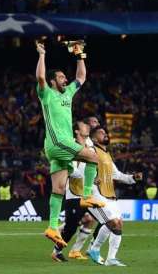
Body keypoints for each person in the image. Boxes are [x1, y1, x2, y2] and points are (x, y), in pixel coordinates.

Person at [34, 40, 104, 248]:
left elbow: (81, 76)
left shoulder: (68, 93)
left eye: (65, 77)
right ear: (53, 81)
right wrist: (42, 55)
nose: (66, 80)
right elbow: (40, 77)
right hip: (59, 142)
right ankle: (87, 195)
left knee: (59, 188)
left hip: (56, 149)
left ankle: (53, 227)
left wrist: (79, 54)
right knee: (93, 155)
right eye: (62, 77)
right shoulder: (46, 94)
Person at [87, 126, 143, 266]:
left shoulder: (106, 154)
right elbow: (80, 168)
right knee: (112, 222)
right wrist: (90, 179)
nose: (105, 134)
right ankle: (95, 248)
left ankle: (111, 258)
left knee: (117, 224)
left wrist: (133, 178)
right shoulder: (91, 151)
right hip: (96, 194)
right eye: (101, 133)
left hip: (109, 195)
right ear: (94, 138)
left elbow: (116, 175)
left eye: (105, 133)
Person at [51, 121, 96, 262]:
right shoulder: (70, 146)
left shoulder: (90, 149)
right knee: (71, 227)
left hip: (86, 194)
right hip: (74, 194)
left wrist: (95, 177)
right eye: (84, 126)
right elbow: (70, 170)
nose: (87, 127)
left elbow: (93, 168)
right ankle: (56, 251)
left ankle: (76, 250)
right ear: (76, 131)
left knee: (89, 220)